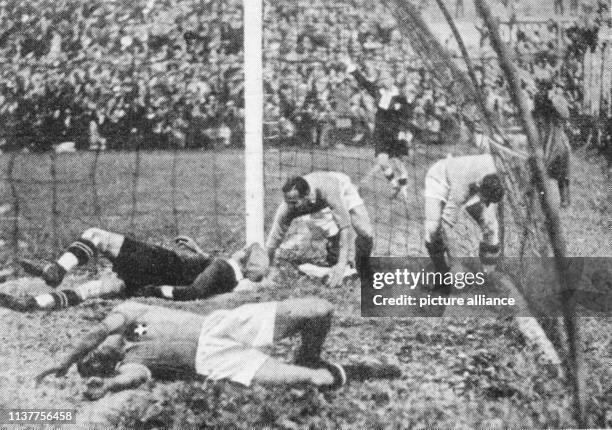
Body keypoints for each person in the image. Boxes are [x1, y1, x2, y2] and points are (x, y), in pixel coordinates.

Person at [34, 297, 401, 399]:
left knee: (320, 309)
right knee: (315, 381)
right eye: (96, 364)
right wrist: (108, 385)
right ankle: (367, 371)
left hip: (221, 325)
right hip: (214, 359)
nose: (98, 356)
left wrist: (66, 362)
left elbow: (101, 330)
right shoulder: (132, 360)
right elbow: (134, 377)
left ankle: (307, 352)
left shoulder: (133, 317)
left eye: (92, 355)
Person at [1, 228, 268, 312]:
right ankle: (33, 304)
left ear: (242, 257)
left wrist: (156, 289)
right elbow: (206, 275)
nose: (240, 248)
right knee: (94, 290)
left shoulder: (222, 266)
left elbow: (194, 290)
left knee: (96, 236)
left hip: (160, 264)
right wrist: (199, 253)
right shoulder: (229, 278)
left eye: (243, 249)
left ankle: (56, 271)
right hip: (155, 277)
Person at [266, 172, 374, 287]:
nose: (290, 207)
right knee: (332, 236)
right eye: (287, 202)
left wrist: (341, 265)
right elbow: (273, 241)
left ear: (306, 196)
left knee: (365, 231)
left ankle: (361, 263)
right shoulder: (287, 208)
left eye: (294, 203)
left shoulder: (328, 190)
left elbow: (345, 227)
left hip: (340, 187)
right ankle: (337, 261)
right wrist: (268, 268)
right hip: (317, 205)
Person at [424, 154, 505, 293]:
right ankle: (442, 273)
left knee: (491, 226)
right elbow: (446, 225)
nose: (486, 204)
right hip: (440, 178)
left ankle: (488, 276)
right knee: (433, 229)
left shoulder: (493, 167)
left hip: (469, 179)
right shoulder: (461, 190)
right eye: (485, 200)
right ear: (479, 187)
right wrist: (456, 263)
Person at [343, 58, 412, 200]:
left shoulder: (400, 96)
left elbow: (406, 116)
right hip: (381, 132)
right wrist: (351, 66)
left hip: (395, 132)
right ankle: (394, 185)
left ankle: (404, 190)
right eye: (382, 79)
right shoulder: (378, 92)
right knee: (382, 161)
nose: (383, 81)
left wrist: (403, 132)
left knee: (398, 163)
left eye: (386, 78)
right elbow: (363, 82)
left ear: (392, 79)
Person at [532, 82, 571, 208]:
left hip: (557, 138)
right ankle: (538, 198)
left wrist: (553, 100)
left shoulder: (558, 100)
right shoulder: (539, 99)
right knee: (541, 168)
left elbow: (565, 114)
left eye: (547, 89)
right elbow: (535, 115)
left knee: (563, 171)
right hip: (545, 137)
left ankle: (564, 200)